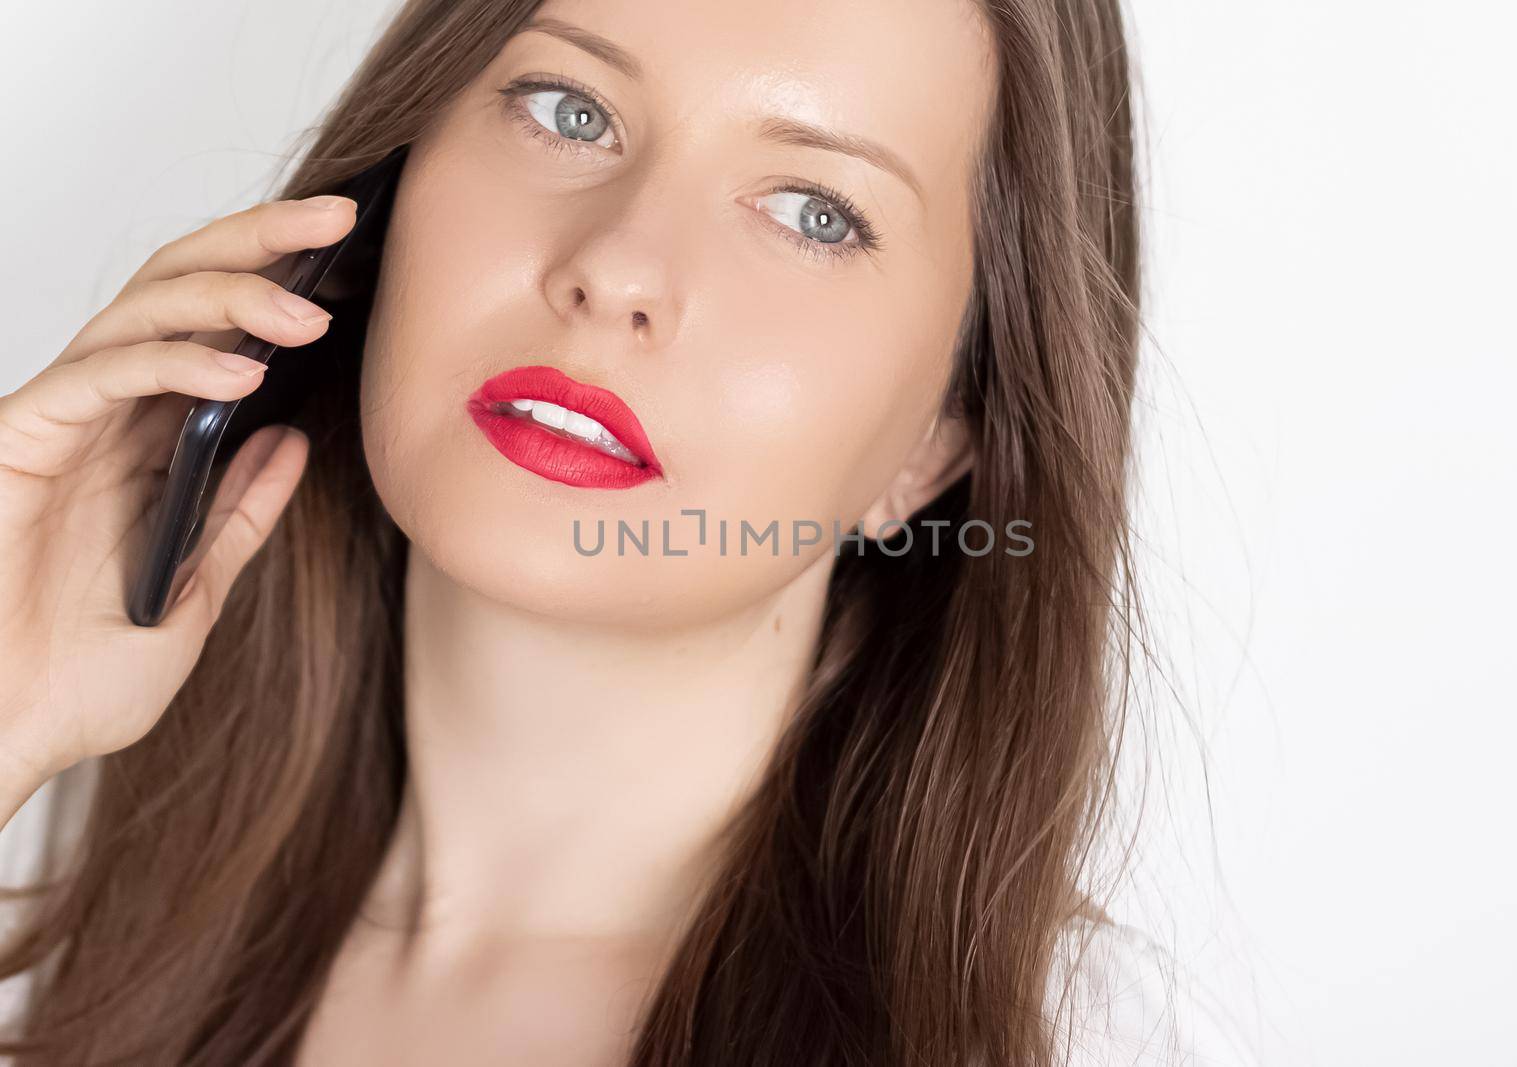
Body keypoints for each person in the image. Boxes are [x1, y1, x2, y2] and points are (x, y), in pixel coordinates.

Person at [0, 0, 1228, 1062]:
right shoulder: (90, 840)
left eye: (812, 211)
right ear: (380, 202)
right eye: (568, 109)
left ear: (936, 442)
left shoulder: (1047, 1038)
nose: (618, 265)